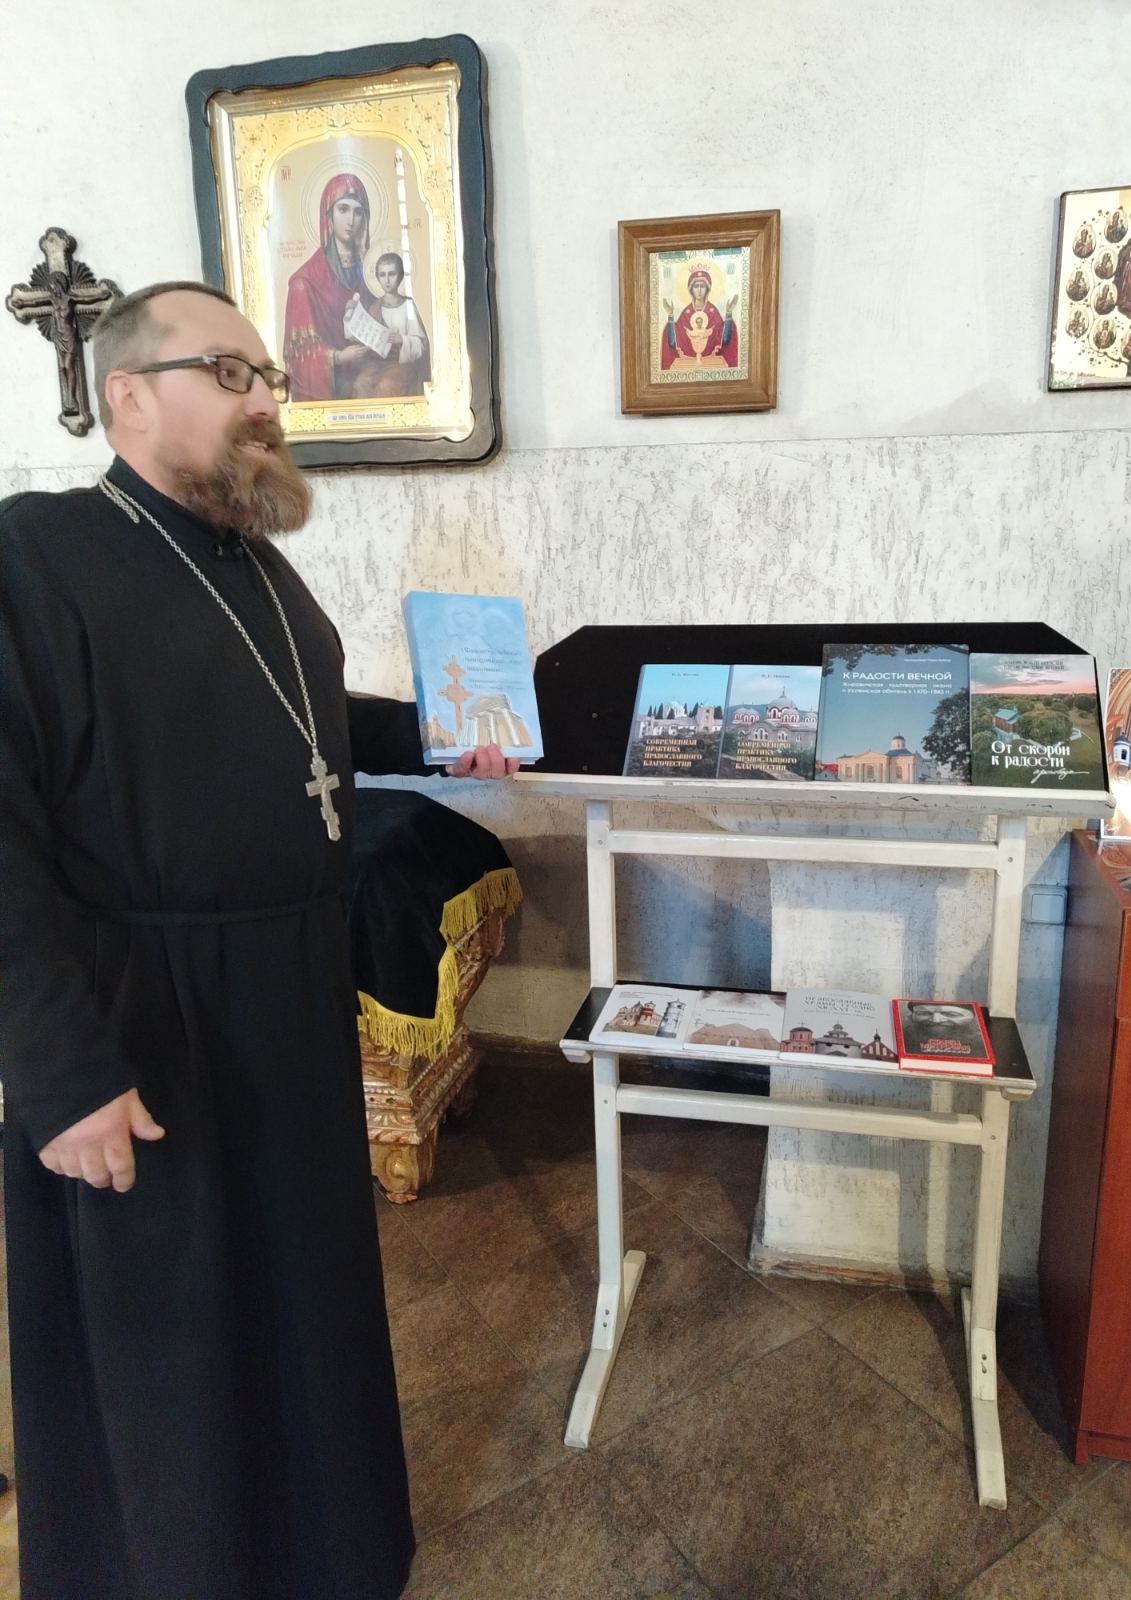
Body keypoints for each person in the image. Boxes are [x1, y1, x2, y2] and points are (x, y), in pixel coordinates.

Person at [0, 280, 518, 1600]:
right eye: (230, 374)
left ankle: (321, 1560)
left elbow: (300, 723)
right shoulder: (37, 554)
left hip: (281, 1001)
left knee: (298, 1306)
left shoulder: (248, 560)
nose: (267, 401)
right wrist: (59, 1071)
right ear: (127, 395)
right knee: (172, 1343)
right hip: (144, 1016)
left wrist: (455, 732)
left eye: (268, 377)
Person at [282, 172, 376, 401]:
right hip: (335, 386)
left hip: (371, 373)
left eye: (358, 212)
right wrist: (337, 358)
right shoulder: (304, 283)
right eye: (343, 209)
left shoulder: (374, 274)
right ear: (329, 216)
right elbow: (299, 355)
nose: (351, 220)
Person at [348, 252, 432, 401]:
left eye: (391, 274)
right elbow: (365, 336)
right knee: (360, 384)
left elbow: (421, 343)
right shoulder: (375, 307)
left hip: (401, 364)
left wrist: (403, 340)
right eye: (382, 275)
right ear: (378, 278)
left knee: (386, 386)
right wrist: (351, 318)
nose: (387, 280)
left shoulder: (408, 307)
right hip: (376, 363)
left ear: (400, 276)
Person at [660, 267, 739, 370]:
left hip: (710, 362)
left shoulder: (713, 312)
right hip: (688, 364)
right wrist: (670, 315)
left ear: (707, 289)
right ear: (691, 289)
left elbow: (724, 340)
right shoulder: (686, 313)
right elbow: (672, 342)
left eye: (702, 286)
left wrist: (729, 313)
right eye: (696, 286)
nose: (699, 290)